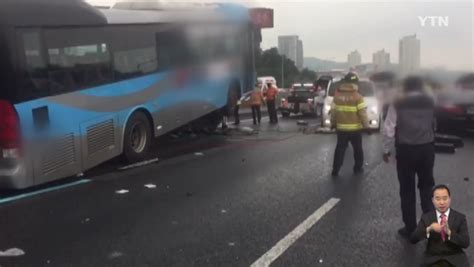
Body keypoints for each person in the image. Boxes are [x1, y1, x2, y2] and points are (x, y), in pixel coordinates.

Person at [383, 76, 436, 238]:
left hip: (406, 151)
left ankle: (410, 227)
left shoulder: (398, 102)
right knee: (426, 189)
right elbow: (436, 123)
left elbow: (389, 128)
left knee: (407, 190)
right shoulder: (430, 100)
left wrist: (386, 150)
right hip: (427, 149)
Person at [411, 184, 470, 267]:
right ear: (432, 200)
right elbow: (413, 239)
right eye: (438, 199)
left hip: (455, 260)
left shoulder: (460, 218)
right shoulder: (427, 217)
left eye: (445, 198)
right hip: (433, 260)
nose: (442, 202)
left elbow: (465, 243)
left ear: (450, 199)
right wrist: (429, 228)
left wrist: (449, 232)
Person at [330, 72, 369, 176]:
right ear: (355, 83)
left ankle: (336, 169)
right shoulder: (358, 96)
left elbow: (333, 112)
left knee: (340, 149)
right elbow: (363, 114)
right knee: (357, 149)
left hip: (341, 129)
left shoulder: (337, 96)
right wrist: (367, 127)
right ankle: (357, 168)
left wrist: (333, 123)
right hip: (355, 129)